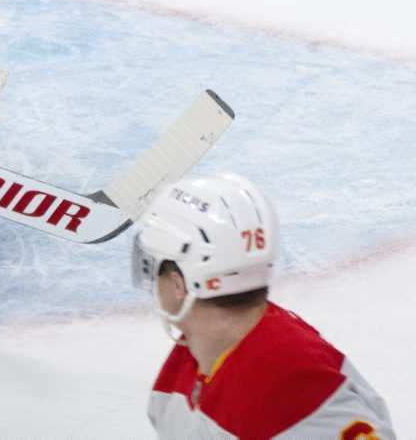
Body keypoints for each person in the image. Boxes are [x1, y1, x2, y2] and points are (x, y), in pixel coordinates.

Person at [132, 173, 395, 439]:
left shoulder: (291, 384)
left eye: (154, 268)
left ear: (180, 284)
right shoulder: (191, 359)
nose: (154, 282)